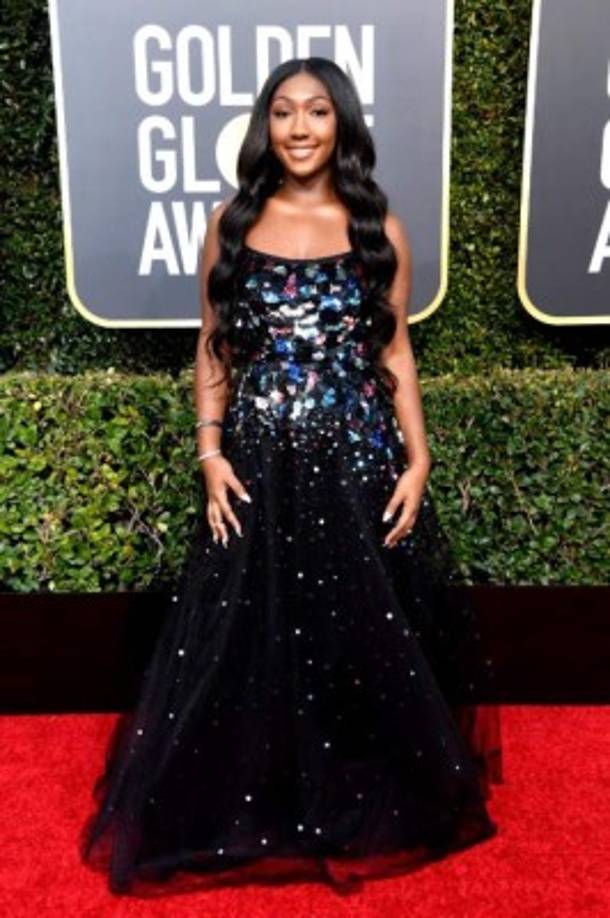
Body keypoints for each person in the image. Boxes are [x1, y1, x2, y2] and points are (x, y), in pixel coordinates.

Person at [80, 56, 503, 897]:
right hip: (257, 469)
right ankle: (256, 795)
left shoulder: (379, 227)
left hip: (358, 462)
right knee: (248, 635)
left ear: (341, 123)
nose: (300, 127)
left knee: (355, 632)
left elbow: (394, 350)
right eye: (283, 111)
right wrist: (210, 454)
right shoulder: (231, 223)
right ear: (265, 125)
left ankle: (351, 790)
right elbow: (213, 345)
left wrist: (419, 457)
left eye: (316, 111)